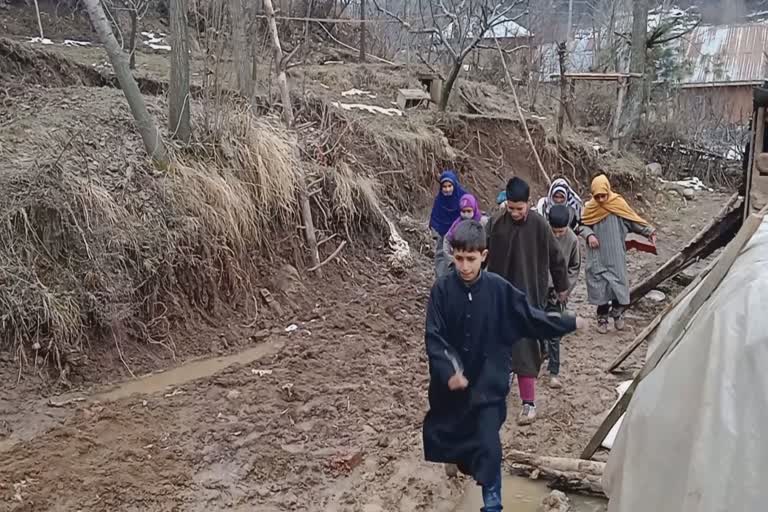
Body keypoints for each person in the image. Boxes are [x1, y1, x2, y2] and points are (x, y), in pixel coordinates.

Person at [423, 220, 584, 512]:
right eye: (458, 259)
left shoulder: (499, 290)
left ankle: (493, 505)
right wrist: (449, 372)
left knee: (489, 444)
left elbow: (530, 317)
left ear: (483, 256)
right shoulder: (442, 292)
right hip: (453, 389)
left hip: (488, 384)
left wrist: (568, 322)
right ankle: (458, 461)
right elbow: (435, 337)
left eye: (470, 259)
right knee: (459, 444)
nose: (464, 266)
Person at [485, 177, 571, 425]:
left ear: (528, 204)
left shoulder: (540, 226)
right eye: (510, 207)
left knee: (525, 351)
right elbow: (481, 252)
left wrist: (562, 286)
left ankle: (528, 404)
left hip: (529, 296)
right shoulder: (496, 223)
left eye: (519, 209)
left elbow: (556, 258)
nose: (514, 213)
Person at [581, 174, 657, 334]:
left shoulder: (618, 204)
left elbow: (633, 221)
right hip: (598, 256)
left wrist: (648, 231)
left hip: (616, 255)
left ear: (608, 191)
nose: (601, 199)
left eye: (603, 195)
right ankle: (602, 318)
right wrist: (589, 235)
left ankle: (617, 313)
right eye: (597, 196)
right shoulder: (589, 208)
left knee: (617, 287)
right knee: (601, 288)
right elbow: (581, 226)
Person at [543, 205, 581, 389]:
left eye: (561, 231)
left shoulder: (573, 240)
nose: (557, 235)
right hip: (539, 289)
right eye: (554, 231)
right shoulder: (541, 235)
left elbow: (574, 267)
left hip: (558, 294)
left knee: (554, 333)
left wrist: (565, 288)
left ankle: (553, 372)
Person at [429, 170, 466, 279]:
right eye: (444, 187)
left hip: (460, 233)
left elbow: (471, 210)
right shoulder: (439, 200)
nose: (447, 189)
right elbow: (435, 217)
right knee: (441, 255)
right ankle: (441, 280)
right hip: (443, 233)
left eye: (450, 186)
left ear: (454, 184)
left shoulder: (463, 197)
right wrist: (435, 232)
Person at [443, 194, 489, 258]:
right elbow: (447, 240)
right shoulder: (457, 224)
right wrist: (451, 259)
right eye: (463, 211)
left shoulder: (483, 222)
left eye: (469, 211)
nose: (466, 214)